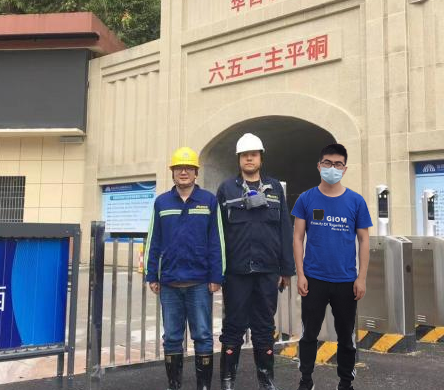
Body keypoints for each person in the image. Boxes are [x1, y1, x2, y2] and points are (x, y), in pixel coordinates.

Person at [217, 133, 295, 390]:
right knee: (233, 326)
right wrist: (217, 271)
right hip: (236, 272)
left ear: (261, 157)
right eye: (244, 155)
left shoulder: (274, 189)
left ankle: (266, 380)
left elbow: (284, 230)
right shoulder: (226, 189)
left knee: (264, 327)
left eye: (253, 154)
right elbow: (218, 233)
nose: (249, 158)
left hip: (268, 271)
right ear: (239, 159)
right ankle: (227, 380)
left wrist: (286, 269)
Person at [291, 143, 372, 390]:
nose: (332, 168)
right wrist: (300, 274)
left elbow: (364, 240)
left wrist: (361, 278)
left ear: (344, 169)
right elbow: (297, 238)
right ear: (319, 166)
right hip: (313, 279)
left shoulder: (356, 201)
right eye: (327, 163)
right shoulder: (306, 198)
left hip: (346, 280)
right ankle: (306, 381)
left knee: (346, 337)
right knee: (309, 335)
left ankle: (345, 383)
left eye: (338, 164)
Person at [145, 146, 226, 390]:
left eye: (188, 168)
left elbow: (217, 241)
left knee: (202, 335)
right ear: (172, 172)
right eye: (179, 168)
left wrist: (217, 276)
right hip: (169, 282)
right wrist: (152, 274)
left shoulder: (208, 201)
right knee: (172, 337)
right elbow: (153, 240)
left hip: (199, 282)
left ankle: (204, 386)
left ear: (196, 172)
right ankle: (174, 385)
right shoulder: (161, 202)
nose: (183, 172)